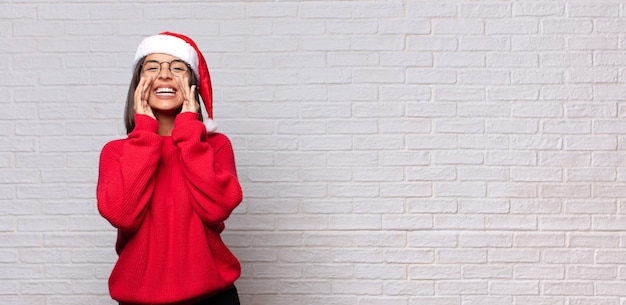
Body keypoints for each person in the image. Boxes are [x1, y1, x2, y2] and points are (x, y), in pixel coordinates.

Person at [96, 32, 243, 305]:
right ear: (138, 85)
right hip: (137, 301)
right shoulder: (115, 152)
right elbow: (123, 216)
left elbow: (217, 208)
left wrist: (189, 132)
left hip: (214, 298)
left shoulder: (216, 146)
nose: (164, 75)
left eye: (177, 68)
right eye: (152, 67)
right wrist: (145, 136)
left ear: (193, 85)